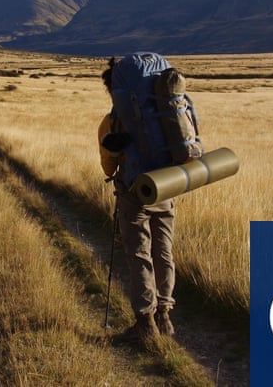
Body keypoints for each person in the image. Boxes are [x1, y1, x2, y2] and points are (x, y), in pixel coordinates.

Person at [99, 64, 176, 341]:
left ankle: (145, 323)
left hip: (133, 192)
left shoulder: (111, 123)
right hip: (165, 187)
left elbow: (108, 169)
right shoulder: (162, 115)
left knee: (140, 254)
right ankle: (165, 316)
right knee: (163, 251)